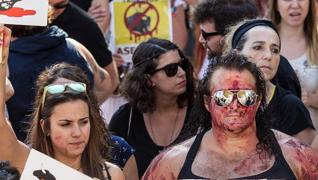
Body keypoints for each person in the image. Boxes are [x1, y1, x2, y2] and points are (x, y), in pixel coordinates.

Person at [143, 52, 318, 179]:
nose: (234, 105)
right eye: (223, 97)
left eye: (245, 97)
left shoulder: (296, 157)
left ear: (257, 102)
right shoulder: (172, 164)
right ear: (207, 102)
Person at [0, 26, 124, 179]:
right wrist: (2, 56)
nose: (77, 133)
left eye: (84, 122)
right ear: (45, 127)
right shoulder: (27, 162)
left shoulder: (112, 174)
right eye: (65, 124)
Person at [6, 12, 112, 141]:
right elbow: (104, 84)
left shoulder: (4, 61)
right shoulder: (73, 46)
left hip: (27, 153)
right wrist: (78, 114)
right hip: (77, 144)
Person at [109, 38, 197, 177]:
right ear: (148, 79)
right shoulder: (125, 119)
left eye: (183, 64)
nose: (181, 72)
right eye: (171, 69)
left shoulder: (201, 112)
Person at [223, 19, 315, 145]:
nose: (268, 56)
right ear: (236, 53)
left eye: (275, 50)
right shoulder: (220, 98)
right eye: (258, 47)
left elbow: (310, 161)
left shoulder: (290, 106)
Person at [193, 0, 302, 98]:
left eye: (205, 34)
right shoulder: (217, 64)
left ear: (228, 35)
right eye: (258, 48)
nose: (200, 39)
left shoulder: (279, 71)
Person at [50, 0, 119, 96]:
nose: (50, 10)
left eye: (59, 6)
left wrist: (86, 108)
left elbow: (112, 80)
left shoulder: (85, 26)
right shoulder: (25, 20)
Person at [268, 0, 318, 128]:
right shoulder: (262, 41)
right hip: (273, 136)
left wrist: (312, 99)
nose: (295, 5)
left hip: (312, 137)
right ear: (275, 5)